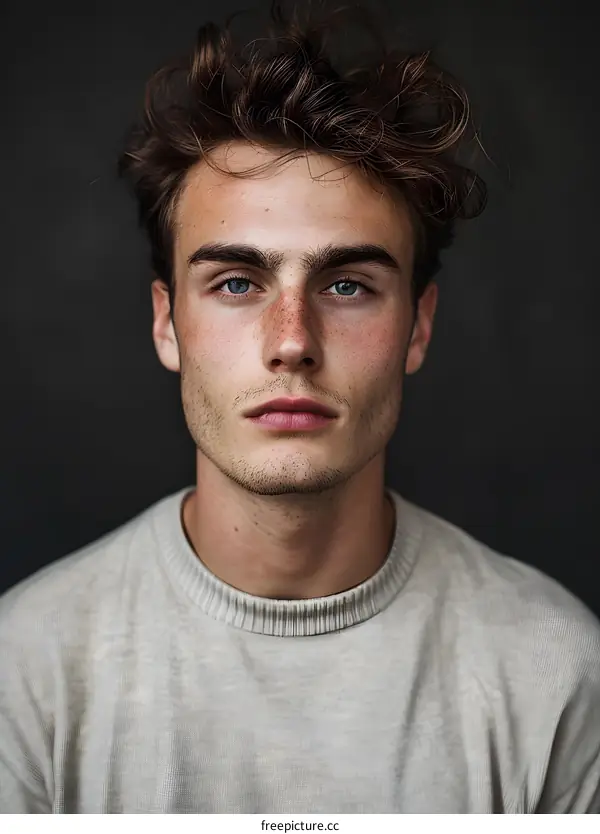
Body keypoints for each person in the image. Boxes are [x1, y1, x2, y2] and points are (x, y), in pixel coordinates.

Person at [1, 0, 599, 815]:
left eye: (348, 285)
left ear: (418, 327)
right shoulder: (24, 672)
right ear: (165, 322)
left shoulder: (559, 673)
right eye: (237, 283)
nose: (292, 341)